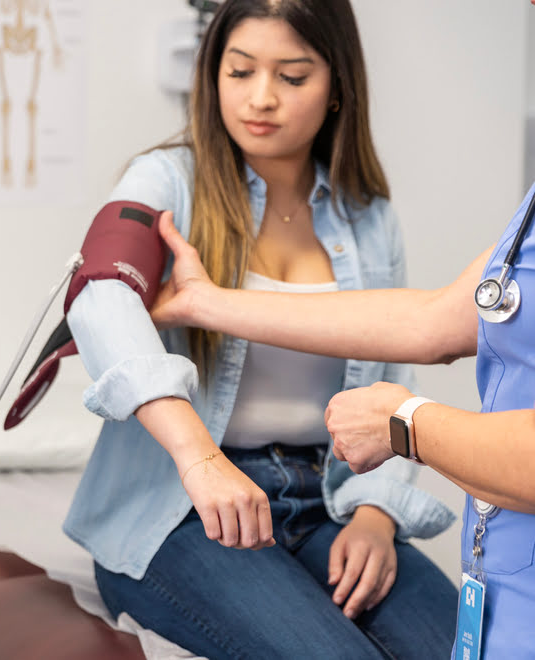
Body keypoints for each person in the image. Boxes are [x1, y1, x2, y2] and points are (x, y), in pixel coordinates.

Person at [63, 0, 457, 657]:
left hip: (327, 496)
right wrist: (200, 459)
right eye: (240, 71)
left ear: (337, 88)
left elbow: (393, 372)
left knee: (474, 648)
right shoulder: (166, 181)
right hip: (183, 506)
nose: (262, 98)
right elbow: (99, 294)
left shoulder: (369, 217)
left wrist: (376, 515)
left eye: (293, 77)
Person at [153, 167, 535, 658]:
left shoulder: (368, 214)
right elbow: (430, 321)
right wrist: (205, 303)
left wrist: (404, 425)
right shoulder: (166, 180)